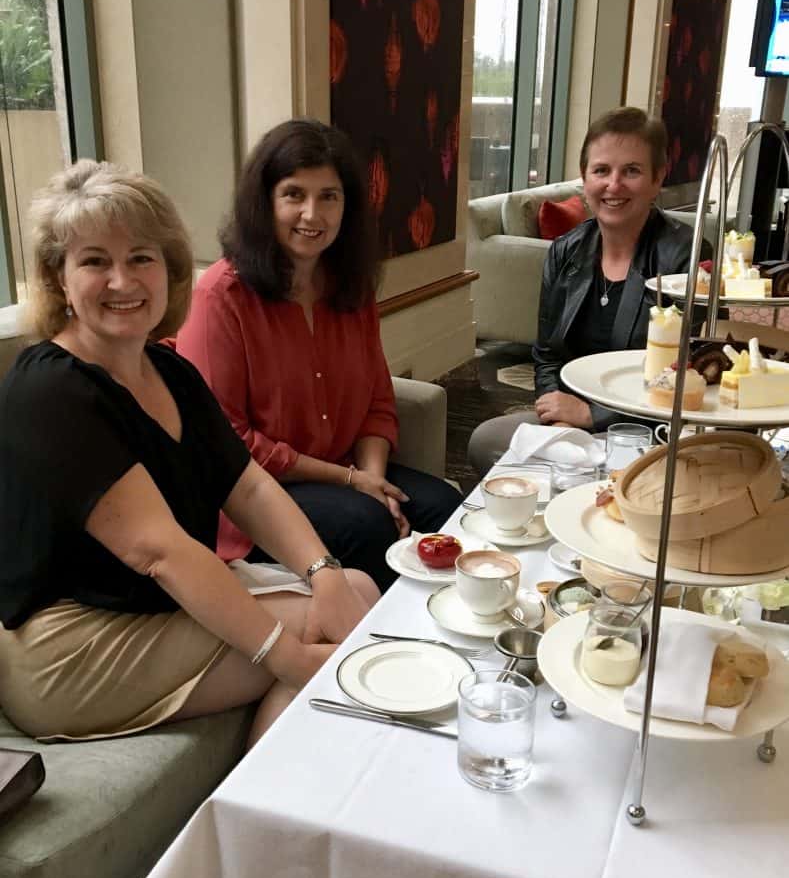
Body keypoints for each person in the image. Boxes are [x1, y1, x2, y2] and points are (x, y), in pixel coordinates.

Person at [0, 160, 378, 746]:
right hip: (69, 645)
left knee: (353, 588)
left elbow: (248, 486)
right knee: (320, 639)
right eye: (95, 261)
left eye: (141, 258)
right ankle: (263, 823)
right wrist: (287, 658)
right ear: (59, 279)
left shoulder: (169, 369)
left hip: (148, 606)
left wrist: (322, 572)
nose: (123, 281)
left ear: (169, 270)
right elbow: (160, 552)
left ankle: (273, 795)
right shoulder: (51, 388)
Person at [176, 119, 460, 590]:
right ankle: (377, 649)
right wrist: (353, 484)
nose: (313, 214)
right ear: (264, 201)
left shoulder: (351, 286)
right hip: (255, 498)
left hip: (346, 475)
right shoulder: (220, 297)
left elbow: (376, 402)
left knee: (446, 509)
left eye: (329, 196)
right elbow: (227, 443)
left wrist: (372, 480)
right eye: (294, 195)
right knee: (367, 526)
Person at [468, 106, 710, 476]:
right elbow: (547, 354)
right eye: (601, 171)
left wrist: (593, 415)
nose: (613, 185)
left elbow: (687, 377)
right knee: (486, 441)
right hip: (572, 424)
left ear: (657, 178)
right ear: (584, 178)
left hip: (650, 430)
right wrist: (558, 421)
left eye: (631, 170)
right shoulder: (565, 252)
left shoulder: (685, 258)